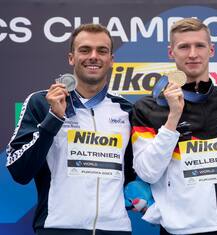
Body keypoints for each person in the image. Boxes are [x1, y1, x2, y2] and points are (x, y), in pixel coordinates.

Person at [131, 18, 217, 234]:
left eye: (199, 45)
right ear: (171, 52)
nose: (192, 54)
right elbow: (147, 173)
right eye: (184, 47)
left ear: (211, 50)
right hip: (180, 229)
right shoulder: (148, 107)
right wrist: (173, 118)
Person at [6, 23, 135, 235]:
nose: (93, 56)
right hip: (58, 228)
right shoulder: (42, 102)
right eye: (85, 50)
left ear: (111, 60)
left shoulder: (126, 109)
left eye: (102, 51)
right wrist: (54, 118)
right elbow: (19, 172)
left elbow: (133, 174)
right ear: (71, 58)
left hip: (115, 229)